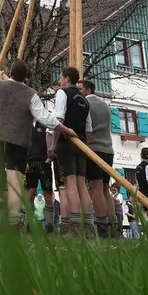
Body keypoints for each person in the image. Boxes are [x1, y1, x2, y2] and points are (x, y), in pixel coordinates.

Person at [0, 60, 71, 230]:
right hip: (17, 141)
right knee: (14, 181)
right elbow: (45, 118)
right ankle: (14, 222)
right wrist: (66, 129)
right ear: (26, 77)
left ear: (10, 72)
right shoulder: (31, 94)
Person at [47, 67, 93, 237]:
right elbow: (89, 129)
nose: (59, 81)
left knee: (70, 183)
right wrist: (86, 146)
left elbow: (59, 119)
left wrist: (53, 144)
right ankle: (88, 227)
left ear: (66, 79)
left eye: (60, 78)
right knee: (82, 184)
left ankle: (75, 226)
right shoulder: (84, 99)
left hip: (67, 141)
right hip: (81, 144)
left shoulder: (62, 93)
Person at [79, 79, 118, 237]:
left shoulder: (85, 104)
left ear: (88, 90)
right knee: (105, 188)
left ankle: (102, 225)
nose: (78, 92)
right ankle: (113, 223)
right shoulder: (105, 105)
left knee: (95, 187)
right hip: (108, 150)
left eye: (80, 89)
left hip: (93, 149)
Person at [24, 117, 58, 232]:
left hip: (44, 163)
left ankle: (49, 224)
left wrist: (49, 159)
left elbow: (51, 138)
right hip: (29, 163)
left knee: (47, 193)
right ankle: (29, 224)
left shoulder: (45, 122)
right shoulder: (26, 123)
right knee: (30, 193)